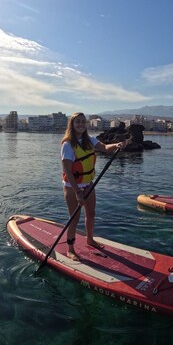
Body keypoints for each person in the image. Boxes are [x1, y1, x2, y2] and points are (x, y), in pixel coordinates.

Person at [61, 112, 126, 261]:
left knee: (91, 214)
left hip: (89, 184)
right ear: (72, 124)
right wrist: (77, 191)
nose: (81, 124)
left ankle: (90, 239)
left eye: (83, 122)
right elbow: (67, 171)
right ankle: (70, 249)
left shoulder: (89, 140)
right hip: (72, 187)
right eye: (77, 122)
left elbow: (103, 147)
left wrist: (116, 145)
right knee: (74, 218)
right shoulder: (67, 145)